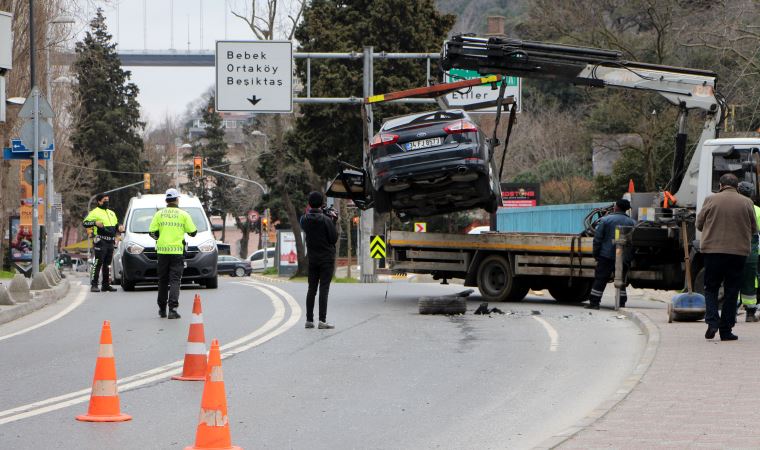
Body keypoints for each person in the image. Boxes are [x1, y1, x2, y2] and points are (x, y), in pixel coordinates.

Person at [697, 173, 757, 340]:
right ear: (737, 187)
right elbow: (754, 228)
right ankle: (726, 330)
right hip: (738, 253)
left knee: (711, 288)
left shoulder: (710, 200)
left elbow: (699, 224)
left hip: (712, 251)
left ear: (721, 186)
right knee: (732, 291)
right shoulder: (747, 202)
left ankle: (712, 322)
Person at [149, 189, 197, 319]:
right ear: (177, 200)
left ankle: (162, 309)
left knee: (163, 281)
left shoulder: (159, 214)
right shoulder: (183, 214)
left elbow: (152, 232)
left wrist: (161, 237)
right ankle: (173, 310)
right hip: (177, 252)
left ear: (166, 200)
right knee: (175, 280)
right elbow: (193, 232)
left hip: (162, 252)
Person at [586, 198, 636, 309]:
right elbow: (634, 242)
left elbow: (598, 239)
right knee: (621, 279)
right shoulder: (632, 223)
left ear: (616, 207)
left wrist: (596, 254)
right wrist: (629, 257)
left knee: (600, 279)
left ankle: (594, 303)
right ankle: (621, 303)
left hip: (606, 255)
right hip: (623, 257)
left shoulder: (606, 220)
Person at [300, 191, 338, 329]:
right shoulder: (326, 220)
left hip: (313, 258)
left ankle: (309, 320)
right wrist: (334, 221)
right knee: (324, 289)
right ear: (322, 203)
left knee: (311, 289)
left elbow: (303, 224)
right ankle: (322, 320)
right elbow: (333, 238)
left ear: (309, 203)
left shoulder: (304, 219)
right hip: (326, 259)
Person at [83, 194, 122, 293]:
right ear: (99, 202)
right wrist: (95, 223)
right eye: (105, 200)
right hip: (100, 241)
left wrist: (120, 227)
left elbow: (116, 225)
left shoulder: (111, 213)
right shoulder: (94, 212)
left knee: (107, 264)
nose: (107, 202)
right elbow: (85, 223)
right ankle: (94, 285)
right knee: (98, 262)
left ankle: (105, 285)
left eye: (108, 200)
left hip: (110, 241)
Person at [735, 181, 760, 322]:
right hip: (752, 250)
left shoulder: (733, 208)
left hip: (734, 248)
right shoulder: (757, 210)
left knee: (732, 279)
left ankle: (731, 312)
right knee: (751, 280)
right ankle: (750, 314)